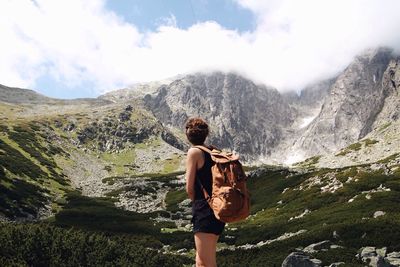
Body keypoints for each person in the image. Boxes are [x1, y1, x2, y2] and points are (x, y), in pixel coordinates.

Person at [185, 117, 225, 267]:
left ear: (188, 134)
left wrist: (196, 203)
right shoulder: (213, 151)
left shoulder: (194, 152)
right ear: (205, 134)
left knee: (206, 262)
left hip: (204, 210)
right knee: (200, 261)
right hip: (217, 208)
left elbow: (189, 188)